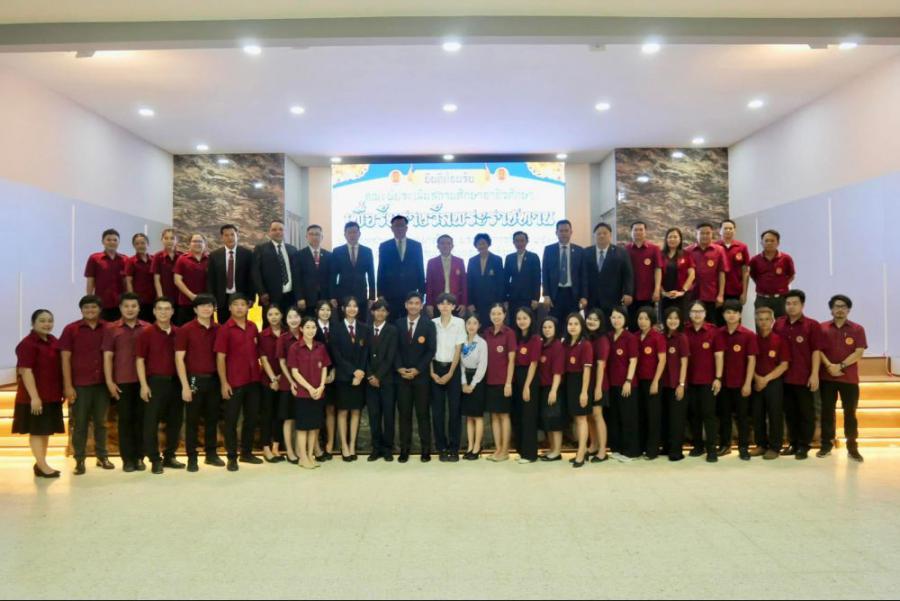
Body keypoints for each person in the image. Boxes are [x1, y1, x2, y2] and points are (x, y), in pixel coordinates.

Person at [60, 295, 112, 475]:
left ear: (100, 309)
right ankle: (79, 459)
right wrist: (68, 386)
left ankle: (102, 456)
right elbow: (65, 359)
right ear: (81, 310)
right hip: (80, 385)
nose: (90, 310)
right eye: (86, 307)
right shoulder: (71, 329)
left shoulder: (108, 328)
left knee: (101, 423)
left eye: (94, 307)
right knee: (80, 424)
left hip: (102, 385)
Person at [174, 293, 223, 471]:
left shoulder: (219, 329)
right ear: (195, 309)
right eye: (202, 306)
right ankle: (192, 458)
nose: (206, 309)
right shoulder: (185, 329)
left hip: (214, 379)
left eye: (210, 305)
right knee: (192, 421)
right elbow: (179, 359)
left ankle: (211, 454)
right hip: (194, 379)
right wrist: (185, 386)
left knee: (212, 419)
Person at [214, 293, 263, 472]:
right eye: (236, 304)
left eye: (243, 304)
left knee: (251, 418)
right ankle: (232, 457)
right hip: (234, 381)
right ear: (229, 307)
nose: (240, 307)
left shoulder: (252, 327)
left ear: (248, 307)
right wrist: (223, 383)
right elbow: (220, 358)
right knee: (231, 420)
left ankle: (246, 453)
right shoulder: (224, 329)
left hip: (253, 380)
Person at [14, 309, 65, 478]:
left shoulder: (53, 341)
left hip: (51, 395)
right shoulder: (27, 344)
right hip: (34, 397)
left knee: (45, 430)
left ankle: (41, 463)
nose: (47, 324)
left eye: (50, 320)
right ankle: (42, 466)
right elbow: (25, 371)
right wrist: (35, 397)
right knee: (36, 430)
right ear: (33, 323)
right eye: (42, 320)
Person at [102, 293, 149, 472]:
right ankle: (127, 459)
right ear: (120, 308)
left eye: (133, 306)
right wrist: (109, 381)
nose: (130, 309)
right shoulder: (111, 329)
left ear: (139, 308)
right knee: (125, 421)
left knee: (141, 421)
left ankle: (140, 458)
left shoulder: (147, 328)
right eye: (126, 306)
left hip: (143, 382)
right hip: (122, 382)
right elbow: (108, 356)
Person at [135, 297, 182, 475]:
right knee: (151, 422)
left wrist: (189, 385)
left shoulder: (179, 332)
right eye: (160, 309)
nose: (163, 312)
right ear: (154, 311)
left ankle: (170, 456)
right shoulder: (146, 333)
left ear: (172, 312)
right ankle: (155, 459)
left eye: (167, 308)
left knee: (175, 421)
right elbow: (139, 360)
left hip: (176, 383)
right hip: (154, 382)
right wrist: (143, 385)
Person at [818, 294, 867, 463]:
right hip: (827, 377)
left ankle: (852, 447)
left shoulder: (857, 329)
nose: (840, 309)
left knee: (850, 413)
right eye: (837, 306)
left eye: (844, 306)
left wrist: (840, 366)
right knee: (827, 412)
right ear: (831, 309)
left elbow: (859, 352)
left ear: (848, 310)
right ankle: (826, 445)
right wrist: (829, 366)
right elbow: (818, 350)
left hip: (849, 379)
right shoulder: (822, 328)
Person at [774, 289, 821, 460]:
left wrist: (814, 374)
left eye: (795, 303)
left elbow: (816, 351)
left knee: (806, 413)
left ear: (802, 305)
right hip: (783, 377)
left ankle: (804, 446)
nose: (791, 306)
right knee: (790, 413)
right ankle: (793, 443)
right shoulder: (779, 324)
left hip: (803, 377)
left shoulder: (812, 325)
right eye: (788, 303)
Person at [394, 291, 436, 462]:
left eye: (417, 303)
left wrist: (418, 369)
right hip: (402, 377)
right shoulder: (398, 324)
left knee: (423, 414)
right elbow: (394, 349)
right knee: (404, 415)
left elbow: (431, 350)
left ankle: (426, 449)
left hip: (421, 377)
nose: (413, 306)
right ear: (406, 305)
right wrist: (399, 368)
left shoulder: (428, 325)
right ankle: (404, 449)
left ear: (421, 305)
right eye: (410, 303)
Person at [714, 300, 758, 461]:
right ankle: (725, 445)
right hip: (723, 383)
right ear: (723, 315)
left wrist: (747, 383)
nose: (731, 315)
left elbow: (752, 360)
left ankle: (743, 447)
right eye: (728, 312)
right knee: (724, 415)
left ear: (740, 315)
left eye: (735, 312)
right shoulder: (718, 333)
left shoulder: (748, 335)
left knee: (743, 417)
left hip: (741, 384)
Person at [288, 316, 332, 470]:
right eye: (307, 327)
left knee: (314, 426)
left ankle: (310, 455)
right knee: (303, 427)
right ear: (301, 329)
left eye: (313, 327)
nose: (310, 330)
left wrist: (321, 386)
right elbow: (295, 372)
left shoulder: (320, 347)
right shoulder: (295, 348)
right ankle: (303, 457)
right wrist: (310, 388)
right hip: (303, 394)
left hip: (318, 393)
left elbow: (325, 367)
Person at [330, 296, 370, 461]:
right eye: (349, 306)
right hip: (343, 377)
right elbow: (336, 355)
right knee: (342, 411)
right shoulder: (336, 328)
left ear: (358, 309)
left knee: (356, 411)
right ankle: (344, 446)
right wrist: (353, 371)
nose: (352, 309)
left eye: (355, 306)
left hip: (359, 377)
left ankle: (352, 444)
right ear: (343, 309)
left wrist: (360, 372)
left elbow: (366, 352)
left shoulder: (364, 328)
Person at [684, 301, 721, 463]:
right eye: (694, 311)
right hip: (689, 380)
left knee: (709, 414)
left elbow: (719, 356)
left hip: (708, 381)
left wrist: (718, 378)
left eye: (700, 311)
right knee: (694, 415)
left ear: (705, 314)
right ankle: (698, 445)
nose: (697, 314)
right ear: (689, 314)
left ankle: (711, 448)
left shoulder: (713, 331)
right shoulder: (684, 330)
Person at [430, 293, 466, 462]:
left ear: (453, 306)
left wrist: (451, 373)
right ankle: (441, 447)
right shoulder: (432, 323)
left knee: (454, 410)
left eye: (448, 304)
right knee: (437, 411)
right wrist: (432, 372)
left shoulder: (459, 323)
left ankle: (454, 447)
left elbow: (458, 349)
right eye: (441, 303)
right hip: (435, 368)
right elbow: (429, 350)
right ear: (437, 306)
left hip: (453, 368)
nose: (445, 306)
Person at [751, 306, 790, 460]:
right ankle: (761, 445)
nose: (764, 322)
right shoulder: (752, 339)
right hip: (755, 381)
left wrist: (765, 379)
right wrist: (757, 378)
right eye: (760, 319)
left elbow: (784, 365)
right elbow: (748, 363)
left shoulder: (779, 340)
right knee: (757, 414)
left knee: (775, 414)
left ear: (773, 321)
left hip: (774, 382)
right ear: (756, 321)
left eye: (767, 319)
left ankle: (775, 447)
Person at [483, 303, 516, 463]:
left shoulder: (509, 333)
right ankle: (497, 449)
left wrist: (508, 383)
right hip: (489, 381)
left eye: (499, 313)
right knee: (494, 416)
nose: (496, 316)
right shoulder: (486, 333)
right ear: (490, 316)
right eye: (493, 314)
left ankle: (505, 450)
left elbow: (511, 360)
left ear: (504, 315)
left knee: (504, 416)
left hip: (504, 382)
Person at [365, 299, 398, 462]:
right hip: (369, 381)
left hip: (387, 381)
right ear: (372, 312)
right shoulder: (366, 329)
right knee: (374, 415)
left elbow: (390, 356)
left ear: (387, 313)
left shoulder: (392, 330)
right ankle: (376, 448)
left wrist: (378, 376)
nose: (380, 313)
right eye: (378, 310)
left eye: (384, 310)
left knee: (388, 415)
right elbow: (363, 355)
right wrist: (370, 375)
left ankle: (387, 449)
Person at [606, 306, 639, 462]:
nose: (616, 320)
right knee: (614, 417)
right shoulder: (608, 336)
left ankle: (630, 450)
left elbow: (633, 361)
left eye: (619, 317)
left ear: (625, 319)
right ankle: (617, 449)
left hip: (627, 384)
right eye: (613, 317)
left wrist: (628, 380)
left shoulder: (630, 338)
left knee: (628, 417)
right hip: (611, 383)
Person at [377, 215, 425, 320]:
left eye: (402, 226)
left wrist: (421, 293)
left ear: (406, 228)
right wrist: (380, 294)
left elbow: (420, 269)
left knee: (410, 323)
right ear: (392, 228)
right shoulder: (384, 246)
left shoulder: (416, 245)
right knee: (391, 323)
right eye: (396, 226)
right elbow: (381, 271)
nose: (399, 229)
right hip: (390, 295)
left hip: (411, 294)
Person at [583, 223, 634, 321]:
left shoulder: (621, 252)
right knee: (592, 325)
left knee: (611, 326)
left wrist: (628, 293)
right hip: (591, 299)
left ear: (610, 235)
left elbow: (628, 275)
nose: (601, 236)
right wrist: (583, 296)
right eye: (598, 233)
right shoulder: (586, 252)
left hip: (613, 299)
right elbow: (583, 276)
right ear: (594, 236)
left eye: (605, 233)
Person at [635, 307, 667, 460]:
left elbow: (662, 360)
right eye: (640, 318)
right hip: (638, 381)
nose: (642, 322)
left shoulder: (657, 337)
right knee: (641, 415)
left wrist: (655, 381)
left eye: (646, 319)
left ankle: (653, 450)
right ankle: (641, 447)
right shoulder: (635, 336)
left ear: (652, 320)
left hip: (653, 381)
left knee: (653, 416)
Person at [207, 224, 254, 325]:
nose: (230, 238)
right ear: (222, 237)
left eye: (232, 234)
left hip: (241, 297)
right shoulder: (214, 255)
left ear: (237, 236)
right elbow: (211, 279)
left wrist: (251, 297)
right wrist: (212, 299)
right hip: (221, 298)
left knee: (241, 325)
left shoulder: (247, 254)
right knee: (223, 326)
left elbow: (251, 278)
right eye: (226, 235)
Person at [563, 312, 594, 468]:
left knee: (582, 419)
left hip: (581, 382)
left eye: (576, 324)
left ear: (581, 326)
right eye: (570, 324)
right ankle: (580, 450)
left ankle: (582, 452)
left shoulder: (585, 344)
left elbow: (587, 370)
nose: (573, 327)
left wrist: (584, 392)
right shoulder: (566, 343)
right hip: (569, 382)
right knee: (576, 418)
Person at [257, 305, 287, 464]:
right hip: (267, 381)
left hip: (285, 379)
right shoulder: (262, 335)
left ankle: (276, 447)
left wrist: (281, 378)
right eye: (270, 314)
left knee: (280, 414)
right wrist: (273, 379)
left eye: (277, 313)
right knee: (267, 414)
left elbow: (289, 359)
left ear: (282, 315)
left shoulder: (287, 334)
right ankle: (266, 447)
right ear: (266, 317)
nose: (274, 317)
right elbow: (263, 359)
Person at [542, 219, 587, 323]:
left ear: (571, 232)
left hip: (573, 295)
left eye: (566, 230)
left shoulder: (579, 250)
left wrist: (584, 296)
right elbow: (545, 273)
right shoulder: (549, 250)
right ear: (556, 232)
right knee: (555, 323)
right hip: (555, 295)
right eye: (561, 231)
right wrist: (546, 295)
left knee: (572, 323)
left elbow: (583, 275)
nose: (564, 233)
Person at [512, 307, 541, 464]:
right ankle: (521, 450)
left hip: (529, 378)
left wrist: (527, 386)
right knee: (518, 415)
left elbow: (534, 363)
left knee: (529, 416)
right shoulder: (516, 337)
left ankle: (530, 454)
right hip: (516, 376)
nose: (521, 321)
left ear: (531, 319)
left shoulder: (535, 339)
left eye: (525, 318)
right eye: (519, 318)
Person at [253, 220, 301, 315]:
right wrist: (262, 292)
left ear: (285, 232)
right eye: (274, 229)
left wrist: (299, 295)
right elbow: (255, 273)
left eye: (280, 229)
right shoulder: (260, 249)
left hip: (291, 296)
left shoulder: (293, 249)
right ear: (269, 232)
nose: (278, 232)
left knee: (290, 321)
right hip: (270, 297)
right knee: (270, 322)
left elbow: (297, 273)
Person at [331, 221, 377, 321]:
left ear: (359, 234)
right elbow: (333, 276)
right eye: (349, 232)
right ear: (345, 234)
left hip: (361, 295)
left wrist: (372, 297)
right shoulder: (337, 251)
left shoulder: (367, 251)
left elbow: (371, 275)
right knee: (343, 323)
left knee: (361, 323)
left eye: (355, 232)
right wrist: (333, 296)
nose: (352, 235)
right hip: (342, 295)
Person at [661, 307, 690, 462]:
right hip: (663, 384)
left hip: (676, 384)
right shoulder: (661, 336)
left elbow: (684, 362)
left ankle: (676, 451)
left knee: (676, 419)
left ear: (680, 321)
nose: (672, 321)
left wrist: (681, 384)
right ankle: (666, 447)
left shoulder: (682, 338)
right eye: (670, 318)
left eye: (676, 318)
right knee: (665, 417)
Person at [277, 307, 305, 464]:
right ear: (286, 320)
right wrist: (292, 381)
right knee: (288, 418)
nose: (293, 320)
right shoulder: (283, 338)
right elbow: (282, 362)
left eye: (296, 316)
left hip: (305, 383)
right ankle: (289, 451)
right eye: (290, 317)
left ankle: (300, 449)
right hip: (288, 383)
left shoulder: (306, 334)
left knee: (301, 417)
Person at [687, 223, 729, 323]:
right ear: (696, 234)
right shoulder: (688, 251)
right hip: (692, 295)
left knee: (712, 325)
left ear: (712, 234)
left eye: (708, 233)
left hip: (712, 295)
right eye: (702, 233)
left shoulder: (719, 250)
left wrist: (721, 295)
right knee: (692, 324)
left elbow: (722, 274)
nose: (705, 236)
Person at [460, 312, 488, 461]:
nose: (471, 326)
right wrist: (464, 382)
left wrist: (472, 384)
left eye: (474, 323)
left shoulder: (482, 343)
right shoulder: (461, 341)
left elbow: (483, 366)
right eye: (469, 323)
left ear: (479, 326)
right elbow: (460, 364)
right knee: (469, 416)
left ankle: (477, 447)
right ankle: (470, 446)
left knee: (477, 416)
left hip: (478, 380)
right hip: (465, 380)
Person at [749, 229, 796, 319]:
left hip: (781, 299)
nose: (769, 243)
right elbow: (753, 276)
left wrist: (781, 285)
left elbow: (791, 276)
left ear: (778, 243)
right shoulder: (755, 260)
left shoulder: (786, 258)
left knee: (782, 325)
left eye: (772, 240)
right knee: (762, 326)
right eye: (766, 240)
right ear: (761, 243)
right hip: (762, 299)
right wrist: (763, 285)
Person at [85, 228, 128, 322]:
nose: (112, 242)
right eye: (108, 239)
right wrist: (89, 300)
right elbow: (90, 280)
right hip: (101, 303)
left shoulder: (125, 259)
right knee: (102, 328)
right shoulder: (94, 258)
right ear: (103, 241)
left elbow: (127, 282)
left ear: (119, 242)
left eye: (115, 240)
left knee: (119, 329)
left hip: (121, 304)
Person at [626, 222, 663, 330]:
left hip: (648, 294)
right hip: (631, 294)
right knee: (632, 324)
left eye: (641, 229)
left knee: (648, 324)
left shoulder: (654, 249)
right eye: (635, 230)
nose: (638, 232)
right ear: (631, 232)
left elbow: (658, 270)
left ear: (645, 232)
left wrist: (657, 289)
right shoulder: (626, 249)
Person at [537, 317, 565, 462]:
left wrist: (554, 390)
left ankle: (557, 451)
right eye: (545, 327)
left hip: (553, 387)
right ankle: (552, 448)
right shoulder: (542, 345)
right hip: (543, 387)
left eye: (550, 327)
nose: (547, 330)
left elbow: (558, 371)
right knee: (547, 419)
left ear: (555, 328)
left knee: (555, 420)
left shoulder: (557, 345)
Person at [584, 309, 609, 463]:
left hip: (598, 383)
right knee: (589, 416)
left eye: (595, 319)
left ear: (601, 322)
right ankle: (593, 445)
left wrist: (598, 388)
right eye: (589, 318)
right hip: (587, 383)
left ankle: (602, 451)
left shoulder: (602, 340)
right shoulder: (586, 337)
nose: (592, 322)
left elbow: (601, 365)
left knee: (597, 415)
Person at [314, 300, 337, 459]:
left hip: (333, 374)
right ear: (317, 311)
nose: (325, 312)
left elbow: (339, 351)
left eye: (328, 310)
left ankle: (330, 444)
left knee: (330, 409)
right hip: (315, 375)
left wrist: (334, 370)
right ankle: (316, 446)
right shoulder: (311, 327)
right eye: (322, 309)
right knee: (315, 411)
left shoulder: (337, 327)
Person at [466, 233, 506, 324]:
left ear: (488, 244)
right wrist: (470, 303)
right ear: (476, 246)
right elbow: (469, 283)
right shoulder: (472, 261)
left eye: (484, 243)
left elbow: (500, 283)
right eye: (479, 244)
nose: (481, 246)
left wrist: (499, 302)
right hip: (476, 301)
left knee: (492, 325)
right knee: (478, 325)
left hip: (493, 301)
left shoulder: (497, 260)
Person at [504, 231, 542, 325]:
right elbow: (505, 279)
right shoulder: (509, 258)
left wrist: (536, 299)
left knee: (529, 322)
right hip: (513, 298)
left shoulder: (533, 257)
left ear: (527, 241)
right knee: (514, 323)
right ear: (513, 242)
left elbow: (537, 279)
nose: (519, 243)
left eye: (522, 240)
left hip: (529, 298)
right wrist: (505, 298)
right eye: (517, 241)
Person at [425, 235, 467, 318]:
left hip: (455, 303)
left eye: (448, 243)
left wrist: (464, 303)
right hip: (437, 302)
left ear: (452, 246)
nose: (445, 246)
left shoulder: (459, 261)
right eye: (442, 243)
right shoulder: (431, 262)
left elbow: (464, 285)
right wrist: (429, 304)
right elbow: (429, 285)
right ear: (438, 246)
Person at [715, 220, 751, 315]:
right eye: (725, 228)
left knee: (735, 318)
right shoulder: (714, 247)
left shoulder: (742, 247)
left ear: (734, 230)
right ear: (720, 230)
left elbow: (745, 272)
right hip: (717, 292)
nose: (728, 230)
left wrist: (744, 293)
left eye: (730, 228)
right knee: (718, 319)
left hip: (736, 291)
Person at [173, 233, 210, 326]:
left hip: (205, 303)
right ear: (189, 243)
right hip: (186, 303)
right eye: (194, 241)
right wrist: (191, 296)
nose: (197, 244)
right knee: (185, 330)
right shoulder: (182, 259)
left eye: (200, 241)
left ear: (205, 244)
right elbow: (177, 280)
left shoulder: (210, 259)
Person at [659, 227, 695, 322]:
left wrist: (682, 291)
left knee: (682, 323)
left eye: (675, 237)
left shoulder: (686, 254)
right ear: (666, 239)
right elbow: (656, 275)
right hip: (665, 296)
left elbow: (692, 274)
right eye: (670, 237)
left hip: (682, 296)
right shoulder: (660, 254)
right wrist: (663, 292)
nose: (672, 239)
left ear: (680, 239)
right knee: (665, 322)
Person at [296, 225, 333, 317]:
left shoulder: (329, 255)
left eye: (317, 234)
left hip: (325, 297)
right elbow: (296, 278)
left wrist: (332, 297)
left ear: (322, 237)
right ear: (306, 237)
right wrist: (299, 297)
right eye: (311, 234)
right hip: (307, 299)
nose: (314, 237)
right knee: (309, 322)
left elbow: (331, 278)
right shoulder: (299, 255)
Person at [125, 233, 156, 323]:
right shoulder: (131, 261)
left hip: (154, 299)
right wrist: (132, 298)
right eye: (137, 243)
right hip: (139, 300)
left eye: (143, 243)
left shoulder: (154, 259)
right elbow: (129, 281)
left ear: (147, 244)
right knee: (141, 324)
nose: (140, 245)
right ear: (134, 246)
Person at [151, 228, 182, 304]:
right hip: (164, 296)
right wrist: (161, 298)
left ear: (177, 240)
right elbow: (156, 280)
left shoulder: (181, 256)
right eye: (166, 238)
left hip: (180, 297)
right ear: (162, 240)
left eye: (172, 238)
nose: (169, 241)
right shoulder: (157, 256)